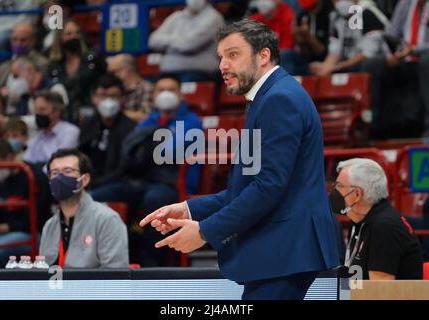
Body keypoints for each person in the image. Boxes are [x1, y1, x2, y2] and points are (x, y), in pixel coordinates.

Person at [140, 20, 340, 300]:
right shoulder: (270, 97)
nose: (222, 65)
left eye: (233, 55)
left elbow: (268, 187)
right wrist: (189, 209)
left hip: (284, 250)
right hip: (281, 252)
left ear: (263, 55)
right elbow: (251, 187)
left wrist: (205, 232)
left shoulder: (278, 100)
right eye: (220, 57)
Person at [91, 73, 203, 266]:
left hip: (172, 183)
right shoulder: (149, 120)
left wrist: (147, 146)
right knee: (95, 196)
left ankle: (151, 262)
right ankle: (104, 259)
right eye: (161, 90)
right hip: (141, 181)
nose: (165, 94)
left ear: (181, 94)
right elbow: (128, 149)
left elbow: (170, 150)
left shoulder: (192, 121)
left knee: (154, 201)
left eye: (171, 90)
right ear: (153, 95)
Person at [329, 158, 423, 279]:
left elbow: (380, 292)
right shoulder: (360, 219)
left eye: (339, 186)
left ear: (357, 194)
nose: (334, 191)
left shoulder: (385, 227)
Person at [39, 148, 129, 268]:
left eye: (68, 171)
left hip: (93, 287)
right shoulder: (50, 225)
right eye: (54, 173)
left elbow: (116, 273)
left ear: (85, 179)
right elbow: (43, 271)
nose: (60, 178)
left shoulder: (107, 219)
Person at [362, 0, 429, 138]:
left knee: (427, 60)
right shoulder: (405, 4)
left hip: (425, 57)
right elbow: (390, 35)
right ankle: (372, 127)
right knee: (372, 64)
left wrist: (415, 50)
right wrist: (390, 54)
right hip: (403, 58)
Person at [79, 74, 136, 189]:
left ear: (123, 99)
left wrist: (95, 183)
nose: (108, 101)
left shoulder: (131, 128)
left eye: (114, 96)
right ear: (93, 98)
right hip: (89, 179)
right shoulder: (88, 124)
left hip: (118, 182)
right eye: (103, 96)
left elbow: (125, 168)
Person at [0, 138, 32, 268]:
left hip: (29, 234)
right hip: (1, 233)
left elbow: (31, 223)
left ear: (10, 157)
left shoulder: (30, 176)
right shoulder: (0, 181)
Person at [148, 0, 225, 82]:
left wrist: (167, 42)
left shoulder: (213, 18)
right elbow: (153, 41)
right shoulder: (176, 17)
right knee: (153, 84)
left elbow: (189, 45)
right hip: (168, 72)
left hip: (199, 72)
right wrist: (181, 39)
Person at [48, 19, 106, 123]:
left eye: (77, 33)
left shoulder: (94, 58)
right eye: (69, 34)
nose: (74, 37)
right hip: (64, 113)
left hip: (91, 109)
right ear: (60, 38)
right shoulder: (54, 65)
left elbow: (103, 82)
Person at [310, 0, 388, 76]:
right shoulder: (335, 17)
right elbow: (334, 51)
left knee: (364, 65)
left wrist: (336, 67)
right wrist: (325, 66)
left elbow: (367, 54)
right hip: (348, 62)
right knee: (313, 69)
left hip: (378, 61)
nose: (339, 2)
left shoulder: (368, 13)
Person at [23, 91, 79, 165]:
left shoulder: (69, 132)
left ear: (57, 111)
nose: (38, 114)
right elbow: (26, 161)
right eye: (36, 110)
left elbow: (58, 163)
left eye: (42, 109)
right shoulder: (39, 136)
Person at [0, 23, 49, 88]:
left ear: (33, 41)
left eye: (23, 40)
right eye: (14, 39)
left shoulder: (43, 64)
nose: (18, 43)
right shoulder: (3, 67)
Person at [288, 0, 334, 75]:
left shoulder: (330, 15)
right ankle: (286, 85)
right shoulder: (302, 16)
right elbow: (303, 54)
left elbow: (325, 52)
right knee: (286, 56)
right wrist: (300, 41)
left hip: (326, 60)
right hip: (307, 61)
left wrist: (309, 37)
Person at [249, 0, 296, 73]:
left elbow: (288, 44)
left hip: (281, 53)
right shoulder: (255, 19)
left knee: (284, 55)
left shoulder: (286, 15)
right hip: (262, 54)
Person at [107, 54, 154, 123]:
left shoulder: (146, 88)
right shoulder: (116, 90)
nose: (111, 77)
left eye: (113, 73)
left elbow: (145, 116)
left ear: (127, 70)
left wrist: (114, 112)